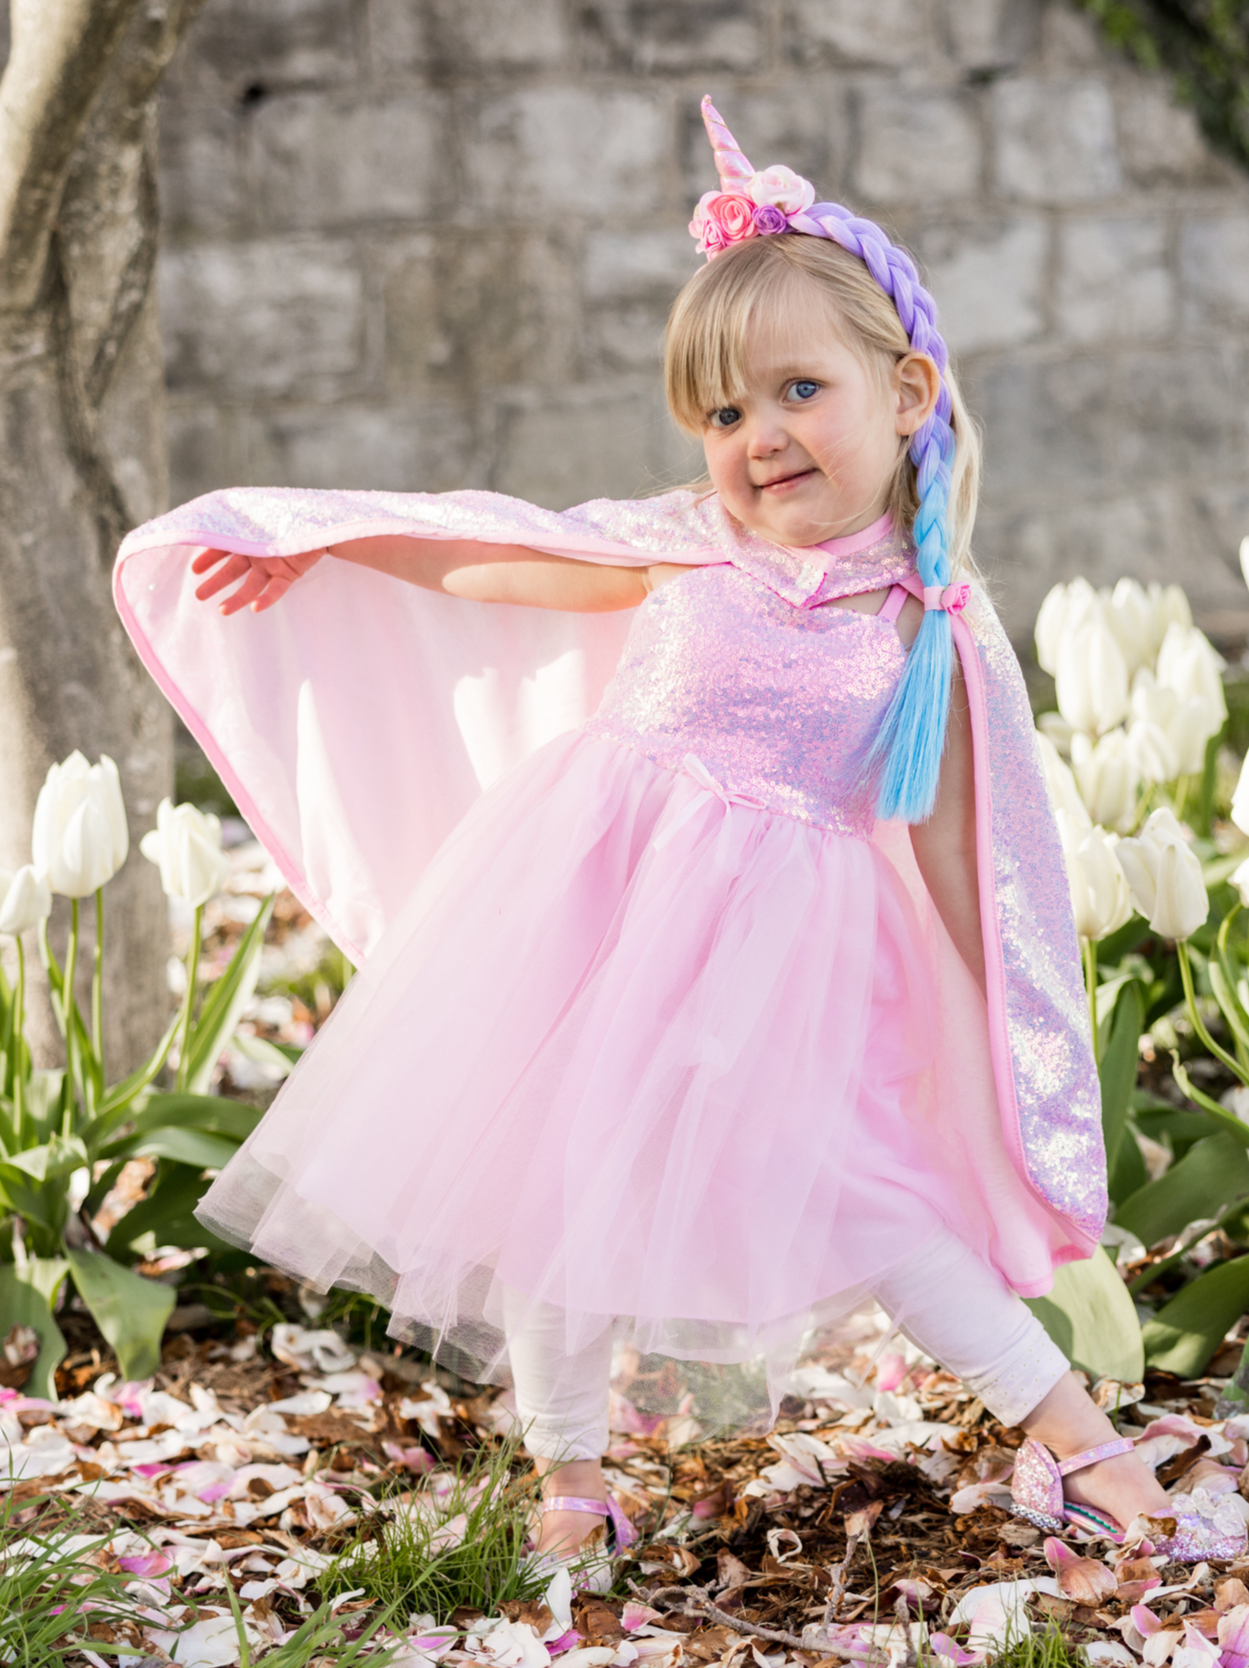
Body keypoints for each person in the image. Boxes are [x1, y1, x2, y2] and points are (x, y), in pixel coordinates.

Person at [113, 99, 1243, 1575]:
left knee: (874, 1205)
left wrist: (999, 1036)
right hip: (593, 913)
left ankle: (1077, 1440)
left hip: (787, 971)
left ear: (906, 390)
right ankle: (570, 1476)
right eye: (722, 414)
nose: (759, 436)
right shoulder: (686, 545)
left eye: (795, 390)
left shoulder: (930, 631)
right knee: (552, 1182)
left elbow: (971, 853)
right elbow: (501, 559)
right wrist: (327, 537)